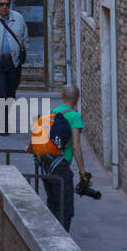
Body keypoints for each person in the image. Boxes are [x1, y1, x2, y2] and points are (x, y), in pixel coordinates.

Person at [41, 84, 85, 232]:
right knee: (65, 208)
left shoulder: (53, 112)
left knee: (52, 203)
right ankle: (62, 240)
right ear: (77, 99)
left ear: (61, 96)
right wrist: (83, 173)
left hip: (47, 165)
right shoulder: (75, 117)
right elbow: (76, 147)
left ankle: (51, 235)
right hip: (62, 166)